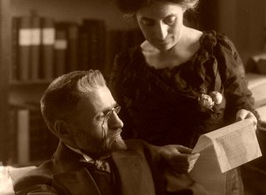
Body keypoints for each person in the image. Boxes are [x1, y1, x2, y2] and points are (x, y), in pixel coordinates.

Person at [110, 0, 259, 194]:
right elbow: (117, 136)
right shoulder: (127, 67)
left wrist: (247, 116)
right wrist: (157, 152)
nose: (160, 33)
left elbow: (242, 102)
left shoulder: (216, 52)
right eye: (148, 22)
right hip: (153, 182)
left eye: (170, 20)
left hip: (217, 183)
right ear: (135, 17)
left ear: (185, 9)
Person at [14, 70, 207, 195]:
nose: (119, 123)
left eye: (115, 110)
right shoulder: (39, 184)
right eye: (103, 116)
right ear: (64, 131)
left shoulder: (144, 153)